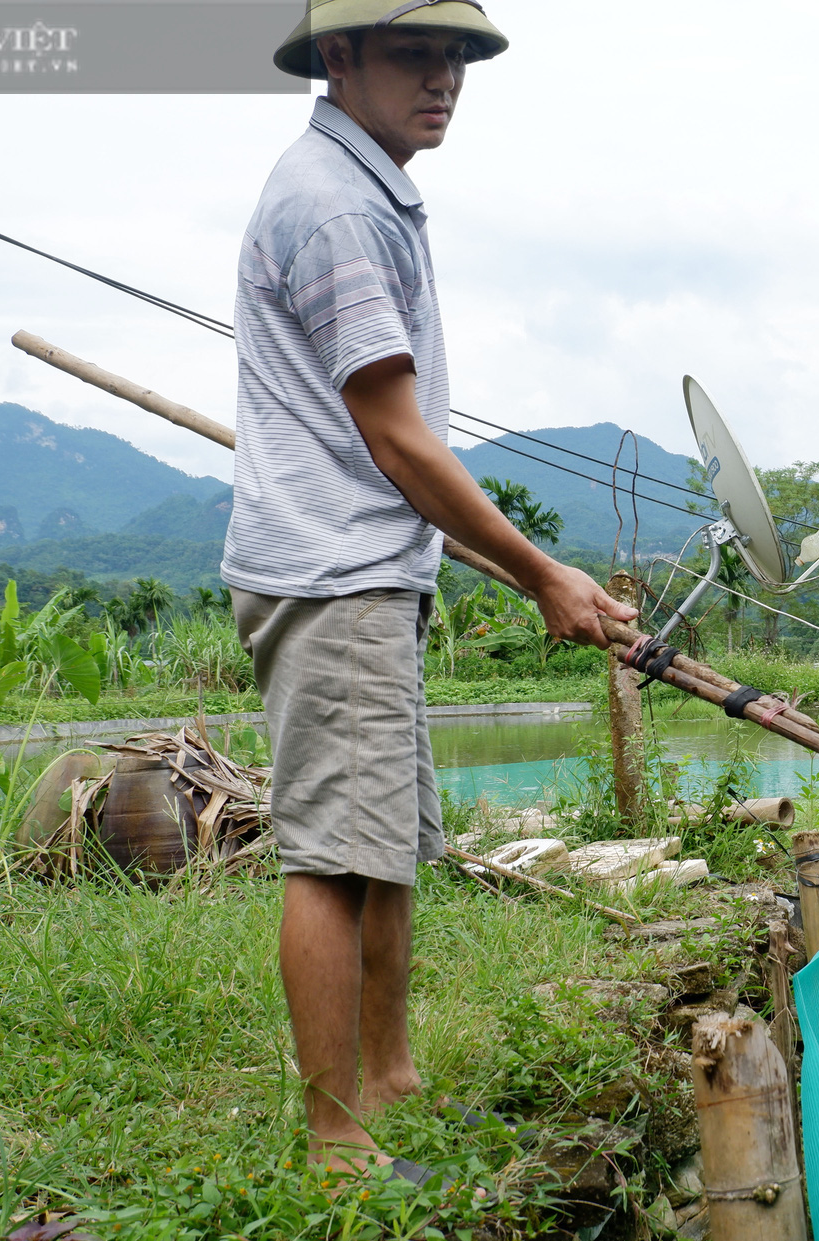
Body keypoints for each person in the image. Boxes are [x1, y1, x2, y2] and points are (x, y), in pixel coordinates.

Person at [224, 0, 636, 1177]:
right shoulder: (337, 205)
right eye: (417, 53)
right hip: (334, 567)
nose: (444, 78)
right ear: (339, 55)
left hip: (364, 566)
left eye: (457, 56)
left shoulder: (366, 187)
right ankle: (336, 1141)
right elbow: (399, 439)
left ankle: (392, 1076)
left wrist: (529, 572)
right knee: (332, 855)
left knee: (387, 842)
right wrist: (540, 573)